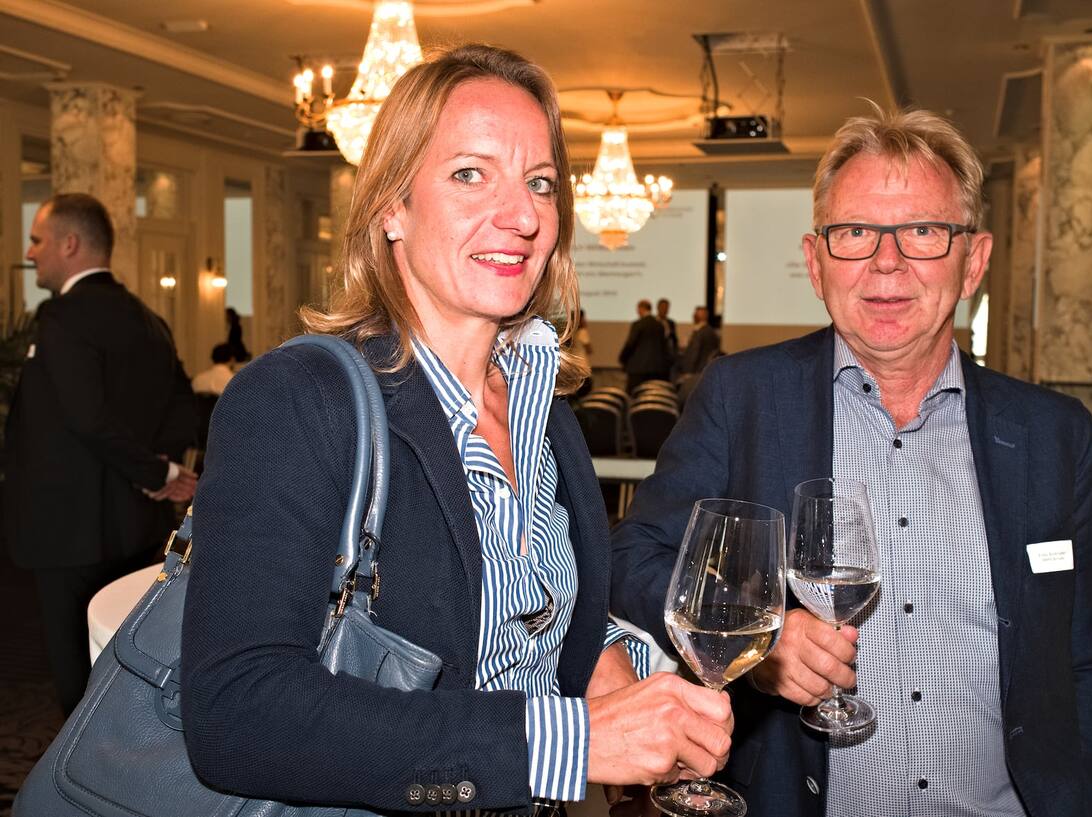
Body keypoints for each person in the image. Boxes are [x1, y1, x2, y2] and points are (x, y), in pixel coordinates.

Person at [181, 44, 732, 815]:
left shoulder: (548, 412)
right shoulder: (296, 398)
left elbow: (523, 619)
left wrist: (616, 664)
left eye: (539, 182)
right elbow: (236, 712)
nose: (524, 215)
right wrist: (568, 741)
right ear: (391, 208)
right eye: (470, 174)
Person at [610, 105, 1092, 817]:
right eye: (854, 232)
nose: (886, 262)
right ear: (816, 262)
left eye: (921, 231)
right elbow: (636, 554)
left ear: (972, 260)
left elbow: (1085, 659)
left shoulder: (1054, 435)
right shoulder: (743, 396)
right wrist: (762, 641)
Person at [4, 193, 198, 714]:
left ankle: (81, 787)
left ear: (70, 244)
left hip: (67, 534)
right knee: (130, 668)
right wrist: (162, 473)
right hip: (137, 525)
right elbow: (182, 409)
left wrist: (157, 470)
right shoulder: (149, 320)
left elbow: (85, 418)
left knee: (78, 682)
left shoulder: (62, 318)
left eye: (37, 240)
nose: (30, 252)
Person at [618, 298, 672, 392]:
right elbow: (664, 346)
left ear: (641, 308)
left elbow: (630, 344)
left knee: (635, 397)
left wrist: (622, 359)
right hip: (657, 369)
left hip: (638, 369)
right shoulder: (659, 325)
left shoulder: (638, 324)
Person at [676, 305, 720, 379]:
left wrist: (687, 372)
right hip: (703, 370)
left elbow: (694, 354)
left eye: (696, 314)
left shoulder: (701, 333)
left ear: (704, 316)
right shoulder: (710, 331)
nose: (694, 316)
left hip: (696, 372)